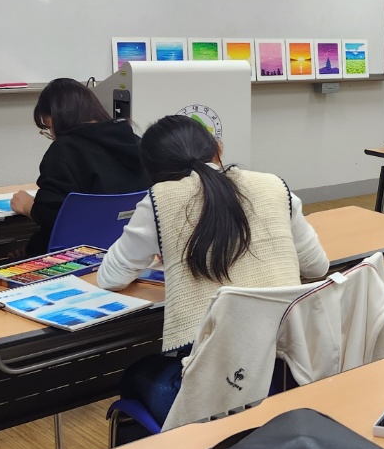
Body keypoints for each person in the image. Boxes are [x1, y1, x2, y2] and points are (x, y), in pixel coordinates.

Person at [97, 115, 329, 425]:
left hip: (214, 401)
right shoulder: (273, 186)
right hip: (291, 383)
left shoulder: (159, 201)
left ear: (151, 171)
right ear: (219, 149)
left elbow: (110, 278)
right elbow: (317, 266)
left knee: (135, 374)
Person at [10, 78, 149, 256]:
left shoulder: (64, 150)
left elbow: (53, 216)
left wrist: (27, 206)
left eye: (50, 128)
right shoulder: (135, 142)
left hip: (73, 257)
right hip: (127, 252)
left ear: (59, 117)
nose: (53, 136)